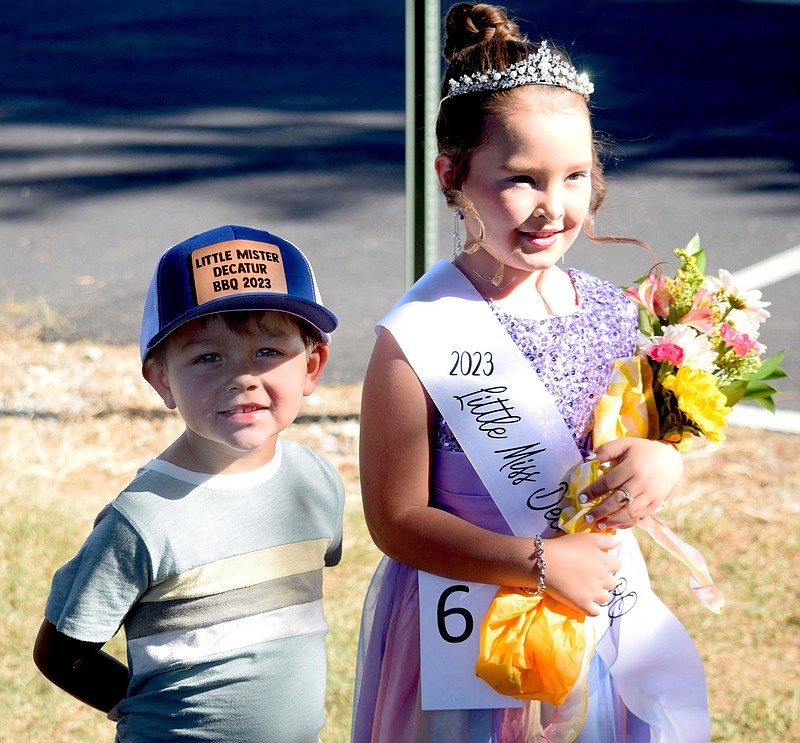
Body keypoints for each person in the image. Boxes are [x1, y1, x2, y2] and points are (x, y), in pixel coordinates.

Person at [351, 4, 709, 742]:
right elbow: (396, 520)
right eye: (521, 179)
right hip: (465, 621)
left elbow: (631, 444)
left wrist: (661, 461)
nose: (554, 207)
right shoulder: (415, 337)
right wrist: (539, 562)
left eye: (575, 175)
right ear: (452, 173)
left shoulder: (615, 312)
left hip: (592, 611)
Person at [33, 224, 345, 742]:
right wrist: (152, 717)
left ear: (311, 366)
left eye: (268, 352)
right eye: (207, 357)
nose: (242, 376)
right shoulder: (144, 519)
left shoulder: (315, 482)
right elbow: (62, 653)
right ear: (161, 379)